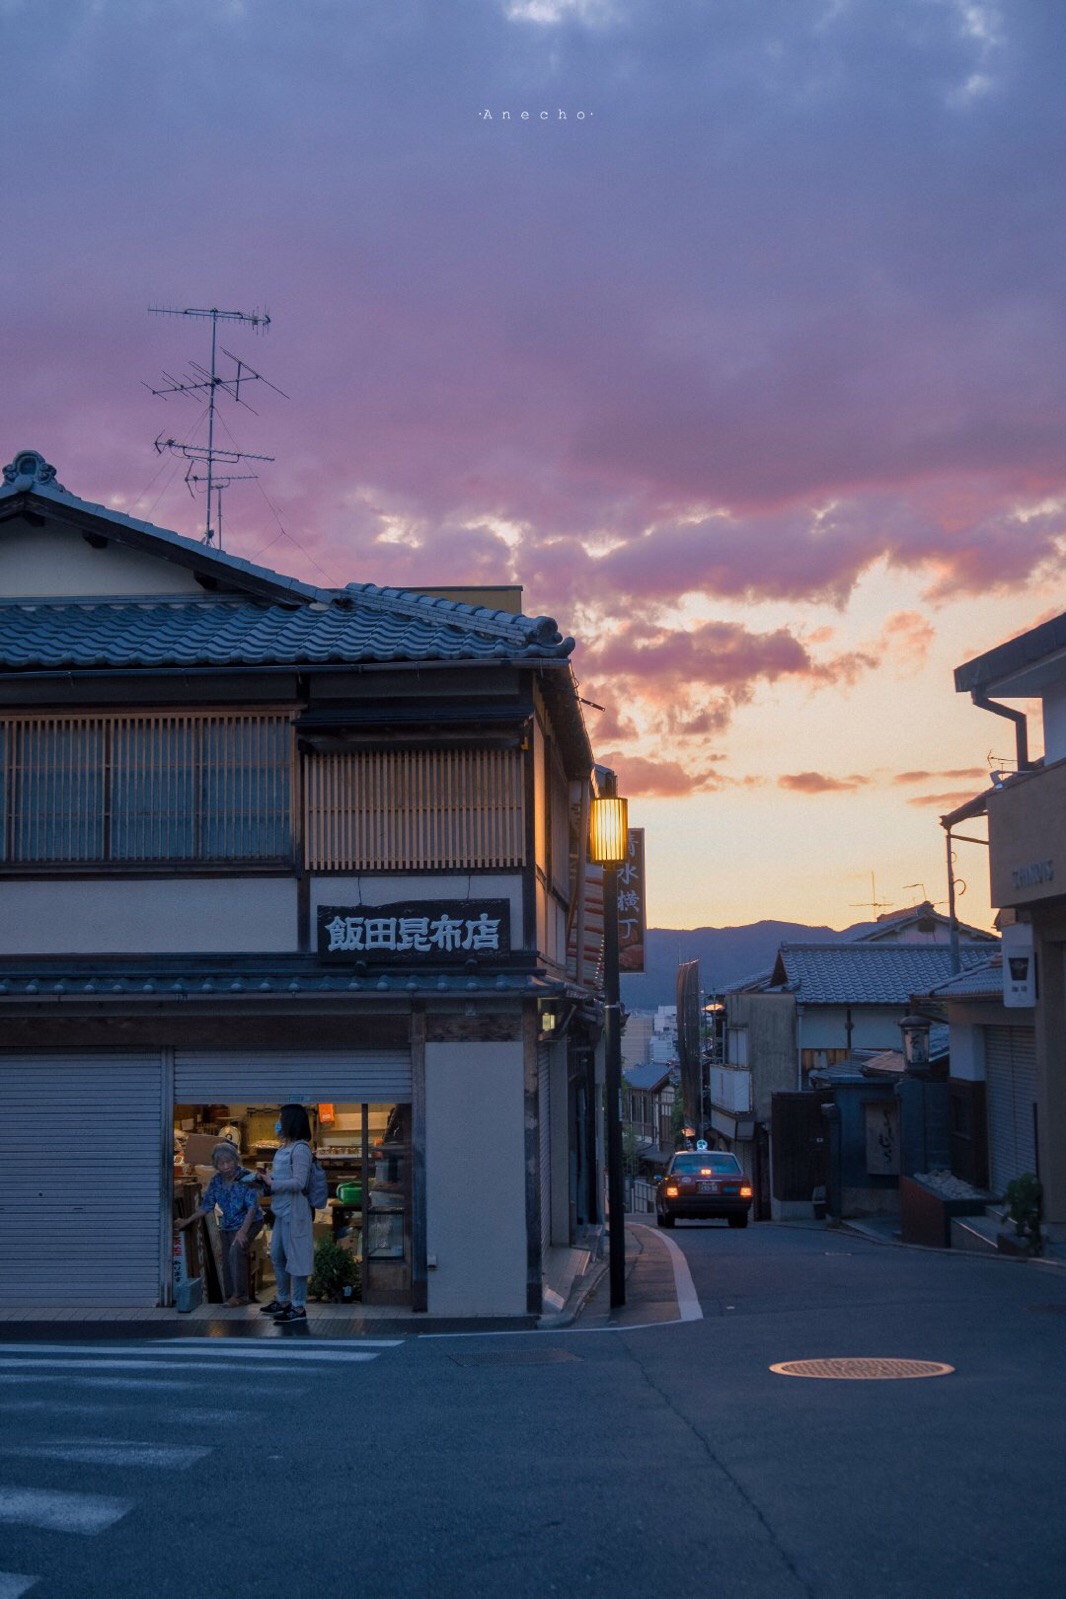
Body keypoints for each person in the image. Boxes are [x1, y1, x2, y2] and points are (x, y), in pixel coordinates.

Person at [176, 1140, 262, 1307]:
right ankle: (231, 1295)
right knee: (226, 1256)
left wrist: (243, 1232)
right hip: (229, 1223)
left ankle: (241, 1296)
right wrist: (186, 1221)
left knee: (236, 1250)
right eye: (221, 1163)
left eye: (229, 1162)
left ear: (235, 1161)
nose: (226, 1166)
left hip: (250, 1222)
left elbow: (253, 1208)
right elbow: (206, 1206)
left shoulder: (246, 1177)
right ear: (216, 1165)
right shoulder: (216, 1181)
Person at [258, 1103, 314, 1324]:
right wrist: (266, 1179)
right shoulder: (283, 1148)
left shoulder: (301, 1149)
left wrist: (272, 1182)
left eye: (281, 1117)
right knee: (278, 1256)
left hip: (295, 1212)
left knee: (296, 1259)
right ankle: (282, 1299)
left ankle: (298, 1306)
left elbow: (300, 1182)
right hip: (281, 1210)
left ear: (290, 1121)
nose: (278, 1122)